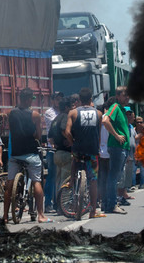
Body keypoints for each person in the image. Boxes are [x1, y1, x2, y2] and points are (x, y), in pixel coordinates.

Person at [2, 88, 50, 223]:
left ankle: (5, 216)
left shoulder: (10, 113)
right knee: (36, 181)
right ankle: (41, 215)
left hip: (15, 154)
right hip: (30, 153)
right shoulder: (35, 115)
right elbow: (39, 135)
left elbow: (11, 129)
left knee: (10, 183)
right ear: (28, 99)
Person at [64, 87, 105, 219]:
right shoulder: (98, 114)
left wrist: (72, 141)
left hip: (78, 148)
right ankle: (93, 211)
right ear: (91, 99)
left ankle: (72, 181)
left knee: (74, 163)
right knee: (93, 180)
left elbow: (67, 131)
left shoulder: (73, 113)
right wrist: (97, 147)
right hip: (92, 150)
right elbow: (98, 134)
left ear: (80, 100)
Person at [100, 87, 129, 213]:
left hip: (121, 147)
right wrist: (116, 135)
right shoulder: (115, 107)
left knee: (114, 177)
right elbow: (105, 121)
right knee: (113, 177)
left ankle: (109, 204)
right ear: (117, 96)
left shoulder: (121, 109)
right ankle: (112, 205)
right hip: (117, 147)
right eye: (125, 95)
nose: (127, 97)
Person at [41, 91, 63, 213]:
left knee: (60, 177)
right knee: (52, 176)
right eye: (57, 99)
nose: (59, 101)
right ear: (53, 100)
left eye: (61, 99)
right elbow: (58, 124)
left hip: (62, 148)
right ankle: (48, 203)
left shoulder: (62, 112)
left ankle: (58, 203)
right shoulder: (50, 113)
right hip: (52, 148)